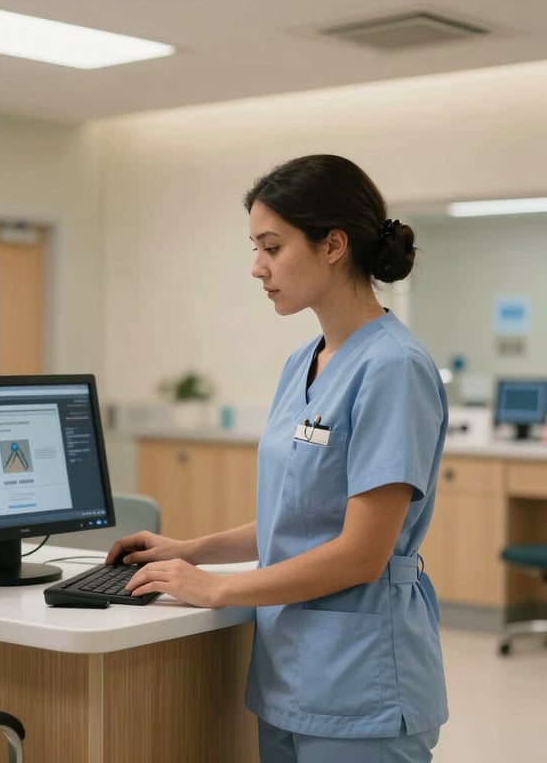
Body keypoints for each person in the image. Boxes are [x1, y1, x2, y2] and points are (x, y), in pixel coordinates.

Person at [107, 153, 448, 763]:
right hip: (290, 672)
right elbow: (300, 519)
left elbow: (361, 552)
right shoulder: (304, 362)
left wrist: (217, 589)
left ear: (333, 245)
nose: (257, 268)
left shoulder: (393, 367)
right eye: (254, 248)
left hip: (361, 681)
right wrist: (190, 550)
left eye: (271, 246)